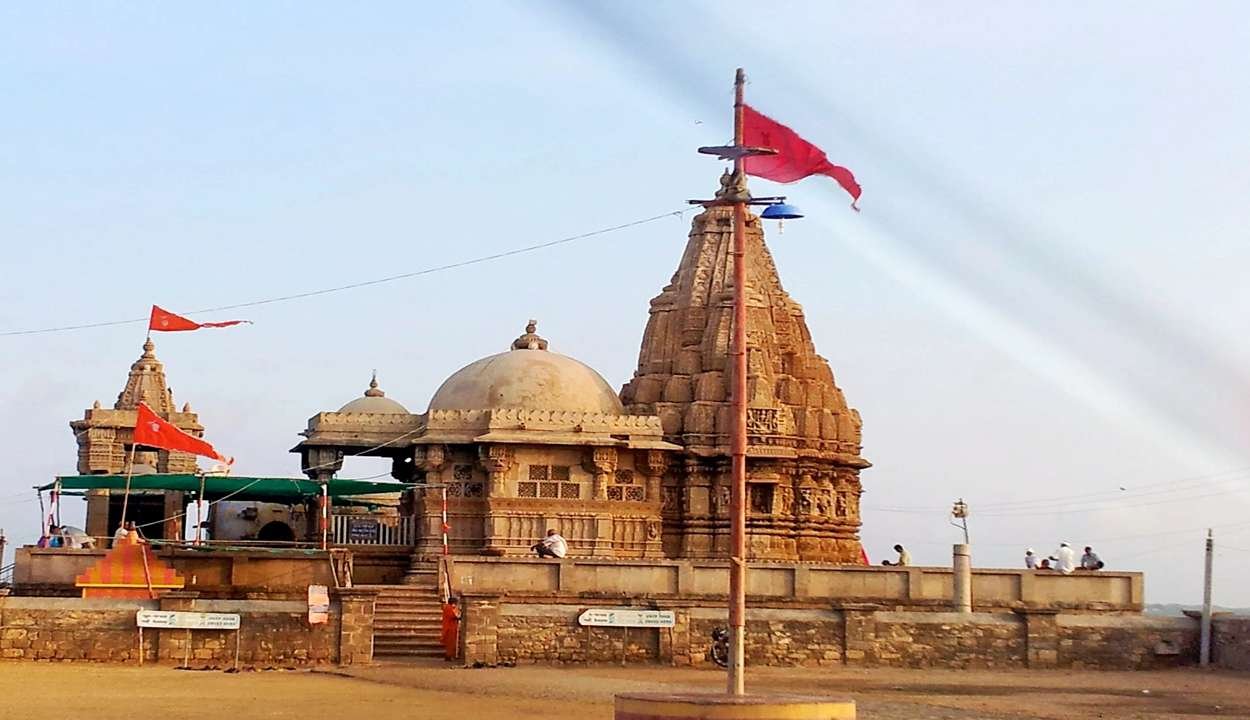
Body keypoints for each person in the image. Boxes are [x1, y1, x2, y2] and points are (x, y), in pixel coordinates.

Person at [441, 595, 462, 661]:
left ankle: (449, 655)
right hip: (450, 628)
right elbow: (452, 616)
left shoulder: (448, 607)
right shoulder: (448, 608)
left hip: (450, 626)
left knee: (451, 643)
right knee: (450, 643)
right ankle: (449, 656)